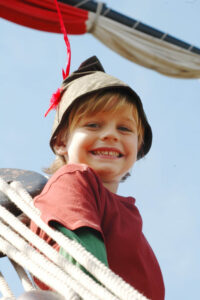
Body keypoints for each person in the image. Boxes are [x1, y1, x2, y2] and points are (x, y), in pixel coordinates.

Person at [30, 56, 165, 300]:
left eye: (124, 129)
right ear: (62, 142)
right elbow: (82, 262)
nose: (111, 135)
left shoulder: (124, 212)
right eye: (93, 125)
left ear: (138, 144)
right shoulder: (73, 181)